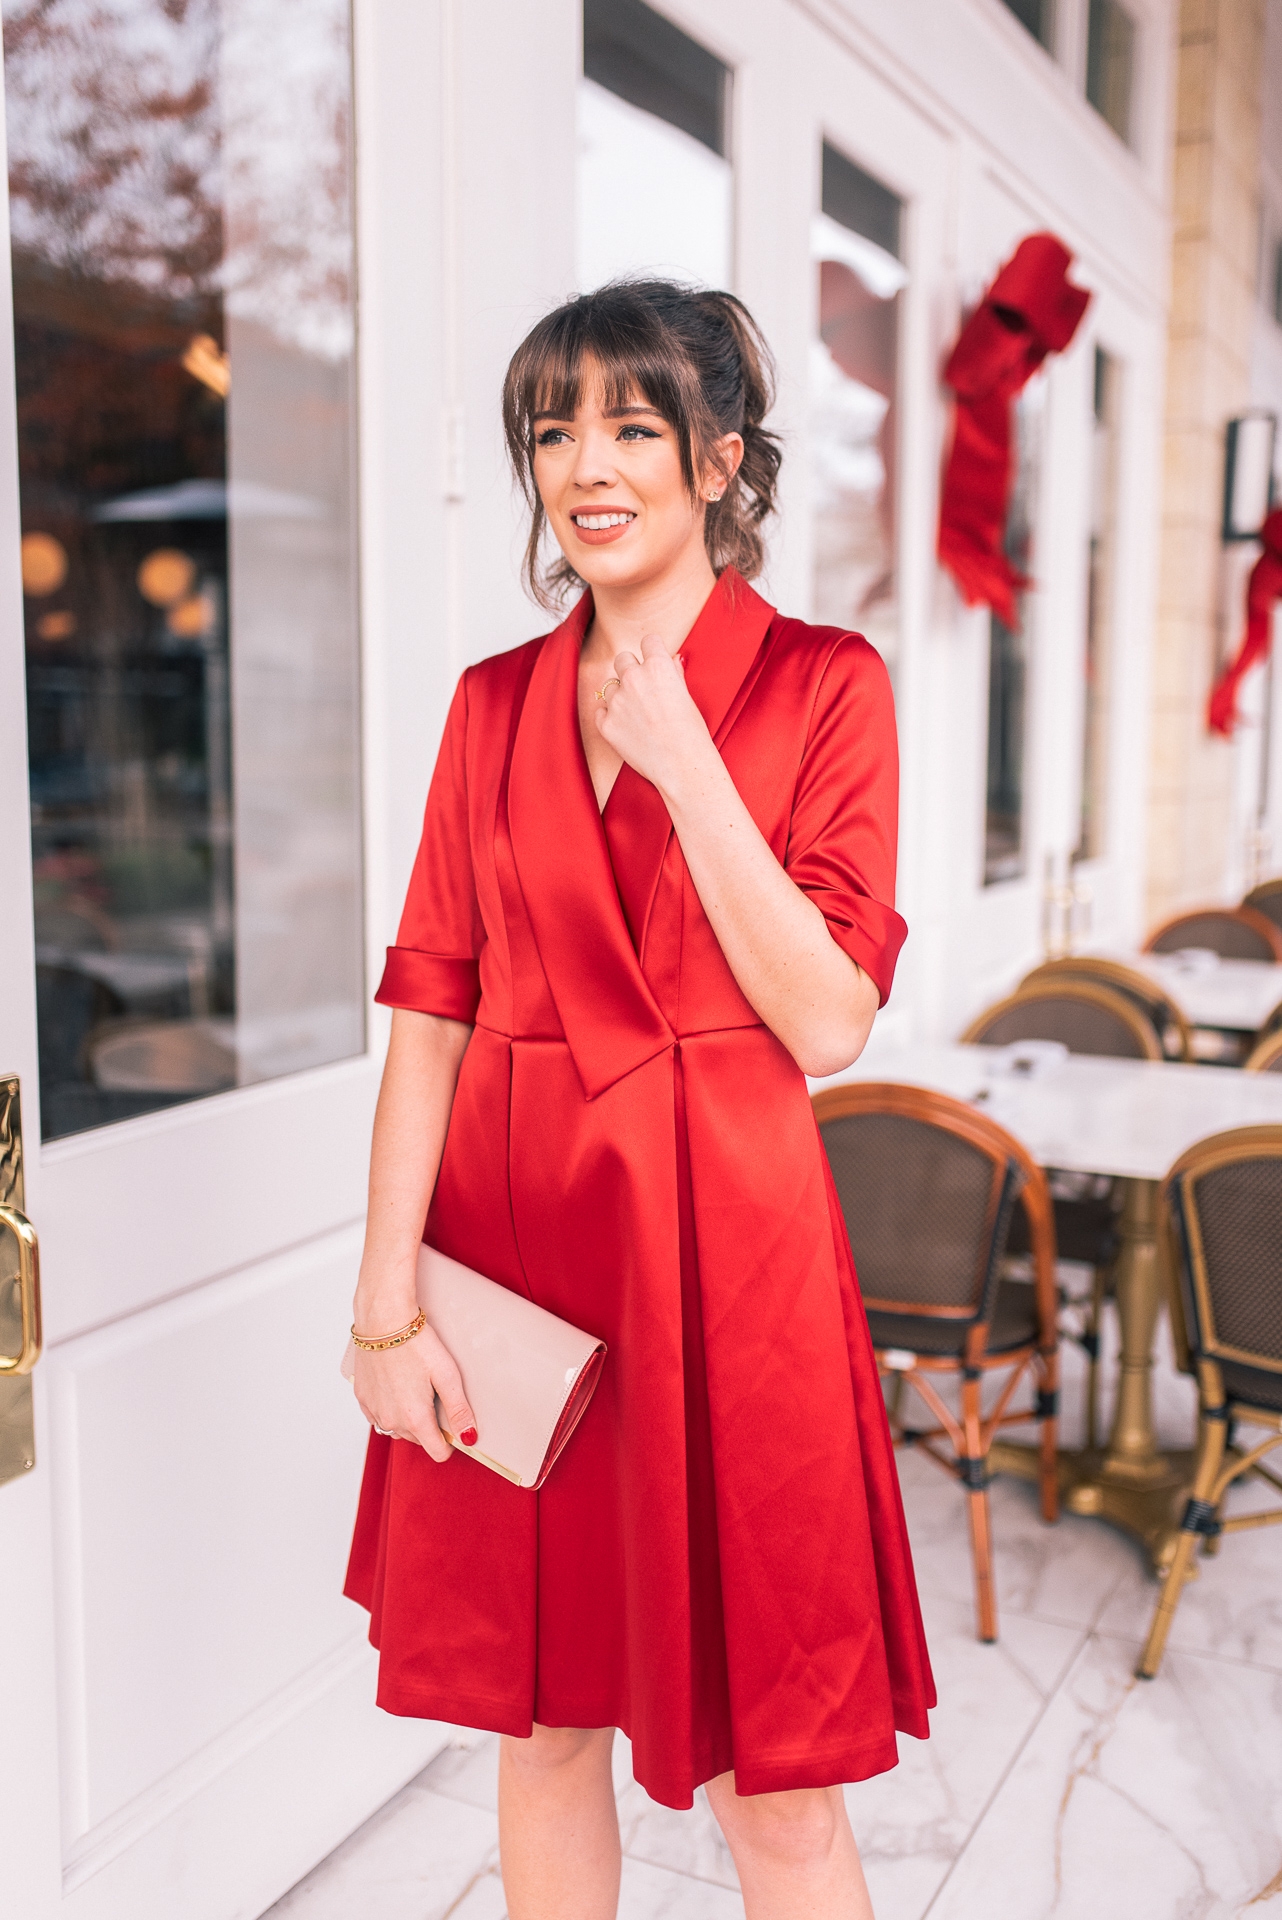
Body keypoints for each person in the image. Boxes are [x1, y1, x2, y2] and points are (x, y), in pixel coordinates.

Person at [344, 279, 934, 1920]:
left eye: (628, 425)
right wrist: (384, 1298)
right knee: (539, 1733)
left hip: (726, 1270)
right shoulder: (488, 705)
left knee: (773, 1786)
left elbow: (826, 1022)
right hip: (518, 1259)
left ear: (718, 458)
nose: (584, 465)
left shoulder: (828, 685)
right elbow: (432, 1018)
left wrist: (683, 764)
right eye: (553, 431)